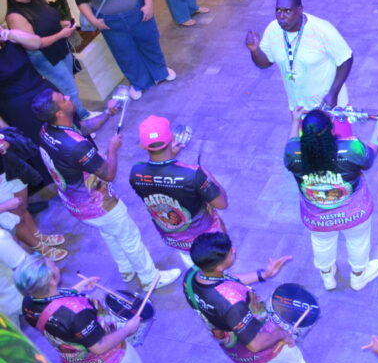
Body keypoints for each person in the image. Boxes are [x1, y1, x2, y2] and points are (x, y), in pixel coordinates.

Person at [32, 87, 181, 288]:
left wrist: (107, 114)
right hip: (98, 205)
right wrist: (112, 149)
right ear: (59, 112)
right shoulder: (76, 147)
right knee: (129, 237)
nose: (68, 97)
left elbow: (81, 128)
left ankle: (126, 269)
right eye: (63, 99)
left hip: (75, 204)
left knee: (110, 233)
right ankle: (150, 278)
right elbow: (108, 173)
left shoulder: (47, 130)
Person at [183, 232, 344, 363]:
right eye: (230, 252)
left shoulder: (192, 275)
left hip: (234, 348)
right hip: (262, 343)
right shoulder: (232, 305)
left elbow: (226, 281)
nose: (234, 250)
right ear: (219, 266)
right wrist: (280, 334)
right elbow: (255, 344)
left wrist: (263, 275)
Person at [284, 108, 378, 291]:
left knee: (321, 243)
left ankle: (327, 276)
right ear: (331, 130)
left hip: (317, 217)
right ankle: (358, 277)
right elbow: (370, 156)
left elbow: (292, 143)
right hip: (355, 213)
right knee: (358, 241)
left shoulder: (293, 153)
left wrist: (295, 121)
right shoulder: (350, 147)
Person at [16, 254, 150, 363]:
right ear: (51, 280)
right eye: (54, 266)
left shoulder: (28, 303)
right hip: (111, 361)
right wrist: (127, 330)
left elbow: (52, 307)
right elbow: (99, 347)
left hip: (82, 362)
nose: (57, 267)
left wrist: (78, 289)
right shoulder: (77, 313)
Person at [73, 0, 174, 99]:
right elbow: (81, 1)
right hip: (110, 23)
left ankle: (160, 72)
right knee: (125, 53)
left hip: (138, 12)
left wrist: (148, 4)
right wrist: (92, 20)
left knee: (149, 42)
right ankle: (140, 82)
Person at [129, 115, 228, 268]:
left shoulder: (135, 173)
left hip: (175, 239)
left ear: (142, 146)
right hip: (206, 240)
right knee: (216, 269)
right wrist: (206, 174)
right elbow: (221, 203)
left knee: (193, 268)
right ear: (172, 138)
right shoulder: (193, 174)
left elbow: (160, 179)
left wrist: (170, 157)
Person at [245, 0, 354, 113]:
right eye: (278, 11)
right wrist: (254, 50)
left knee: (340, 134)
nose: (281, 16)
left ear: (300, 9)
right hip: (299, 110)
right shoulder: (272, 30)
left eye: (287, 11)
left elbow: (346, 58)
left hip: (330, 108)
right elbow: (265, 63)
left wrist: (333, 94)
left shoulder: (322, 29)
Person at [4, 0, 92, 119]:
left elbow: (46, 21)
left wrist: (61, 24)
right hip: (44, 56)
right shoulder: (15, 16)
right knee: (68, 89)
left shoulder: (36, 0)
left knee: (69, 85)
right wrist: (61, 34)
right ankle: (83, 118)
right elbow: (33, 43)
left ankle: (77, 116)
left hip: (60, 47)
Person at [0, 128, 67, 260]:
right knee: (15, 220)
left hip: (9, 167)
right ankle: (39, 247)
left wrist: (5, 142)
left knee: (22, 208)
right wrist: (5, 207)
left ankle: (38, 236)